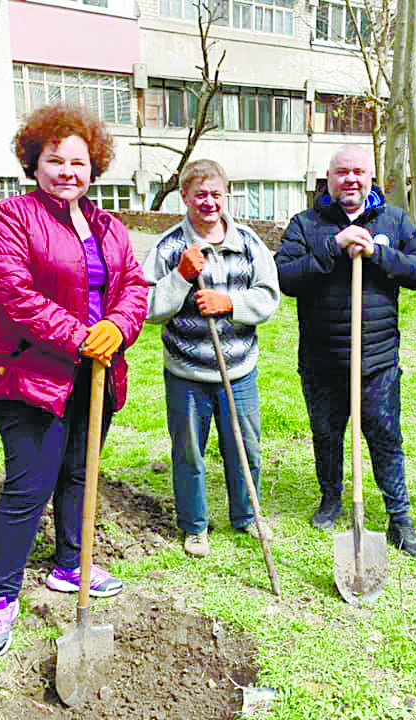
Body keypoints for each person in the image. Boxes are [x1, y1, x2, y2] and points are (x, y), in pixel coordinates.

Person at [0, 104, 149, 657]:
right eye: (56, 160)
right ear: (35, 162)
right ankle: (0, 598)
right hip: (33, 374)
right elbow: (12, 296)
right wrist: (79, 336)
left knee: (81, 473)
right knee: (30, 485)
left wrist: (117, 328)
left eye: (79, 161)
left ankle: (71, 566)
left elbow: (134, 287)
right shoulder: (11, 218)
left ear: (94, 167)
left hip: (97, 375)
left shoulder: (107, 226)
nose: (68, 171)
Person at [275, 145, 416, 557]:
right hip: (322, 361)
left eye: (359, 172)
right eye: (342, 172)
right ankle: (330, 500)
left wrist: (378, 253)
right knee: (326, 436)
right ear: (328, 179)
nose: (351, 179)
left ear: (371, 178)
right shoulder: (306, 224)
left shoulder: (393, 219)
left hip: (377, 361)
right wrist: (334, 246)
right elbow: (285, 277)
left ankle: (399, 518)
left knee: (385, 438)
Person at [142, 159, 280, 558]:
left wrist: (229, 303)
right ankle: (195, 524)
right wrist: (181, 277)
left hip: (238, 370)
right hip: (186, 371)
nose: (208, 202)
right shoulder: (170, 247)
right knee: (189, 451)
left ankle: (247, 515)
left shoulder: (249, 242)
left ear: (226, 195)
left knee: (245, 447)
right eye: (199, 194)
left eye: (216, 194)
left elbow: (269, 298)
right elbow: (149, 307)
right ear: (184, 196)